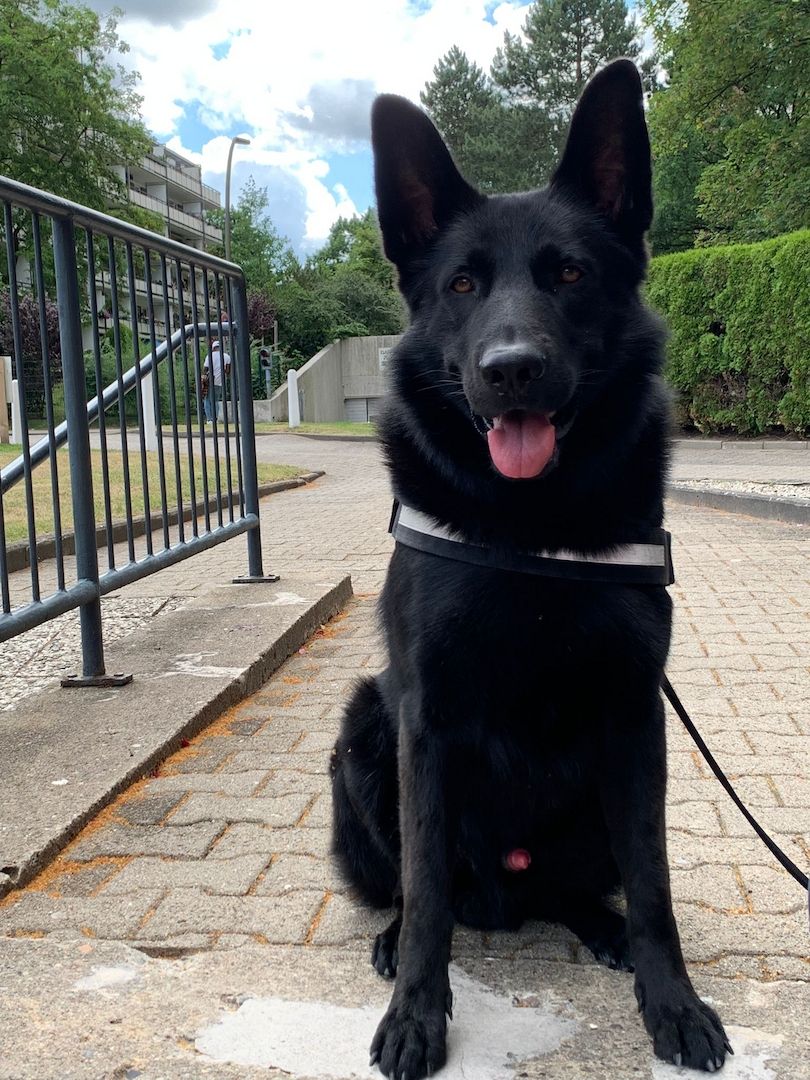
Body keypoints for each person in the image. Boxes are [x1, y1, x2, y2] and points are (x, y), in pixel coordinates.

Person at [203, 339, 230, 422]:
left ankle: (209, 419)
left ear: (213, 348)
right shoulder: (226, 356)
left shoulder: (209, 356)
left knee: (207, 399)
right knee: (216, 400)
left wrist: (204, 377)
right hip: (220, 381)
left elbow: (205, 369)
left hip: (209, 381)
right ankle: (215, 418)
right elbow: (228, 370)